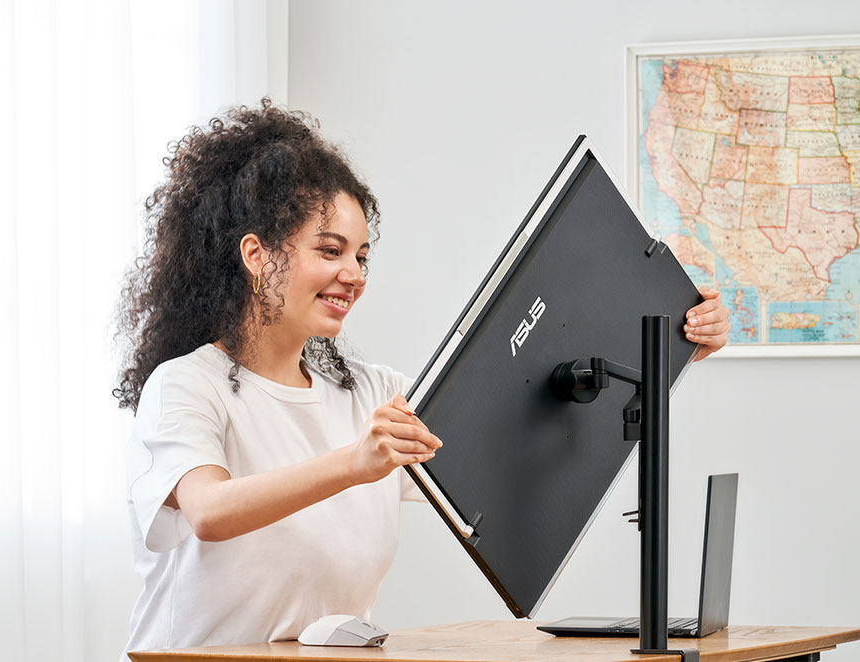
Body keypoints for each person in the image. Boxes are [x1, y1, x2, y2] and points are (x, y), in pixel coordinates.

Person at [113, 99, 730, 657]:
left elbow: (515, 425)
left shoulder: (372, 393)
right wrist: (354, 463)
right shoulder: (186, 385)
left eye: (361, 256)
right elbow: (209, 512)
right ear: (256, 256)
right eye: (329, 251)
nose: (352, 274)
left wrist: (672, 347)